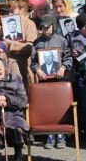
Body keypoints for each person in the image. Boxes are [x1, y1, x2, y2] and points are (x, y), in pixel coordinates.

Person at [30, 14, 71, 148]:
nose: (45, 30)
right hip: (44, 80)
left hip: (59, 79)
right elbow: (34, 61)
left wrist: (63, 68)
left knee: (59, 105)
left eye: (47, 27)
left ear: (53, 26)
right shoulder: (37, 43)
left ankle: (61, 135)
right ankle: (49, 135)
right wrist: (37, 70)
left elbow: (68, 57)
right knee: (46, 106)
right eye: (42, 28)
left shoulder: (61, 40)